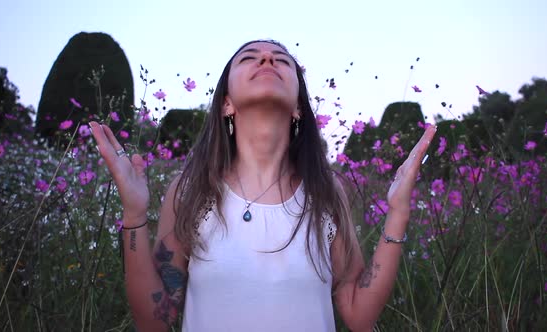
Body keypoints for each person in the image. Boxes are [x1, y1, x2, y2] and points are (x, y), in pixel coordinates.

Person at [89, 39, 436, 332]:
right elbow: (155, 322)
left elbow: (359, 315)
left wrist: (398, 212)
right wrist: (134, 214)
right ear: (226, 102)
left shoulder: (326, 194)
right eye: (249, 58)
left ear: (299, 106)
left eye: (282, 60)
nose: (268, 59)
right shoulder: (191, 192)